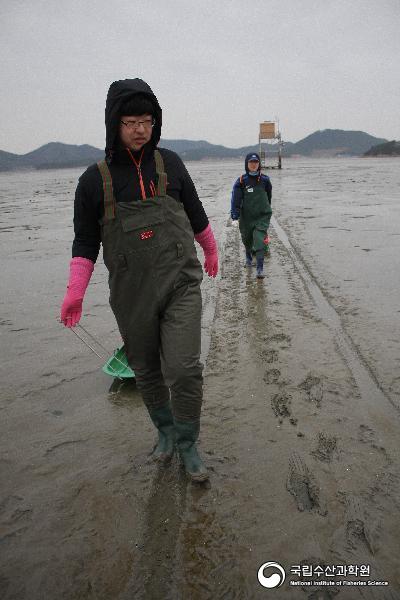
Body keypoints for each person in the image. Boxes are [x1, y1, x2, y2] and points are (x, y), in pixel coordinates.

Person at [60, 78, 218, 482]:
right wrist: (75, 293)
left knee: (184, 369)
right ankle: (164, 432)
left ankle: (188, 443)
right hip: (132, 295)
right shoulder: (93, 182)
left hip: (181, 284)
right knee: (145, 371)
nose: (140, 129)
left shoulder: (172, 164)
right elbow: (84, 242)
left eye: (147, 120)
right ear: (115, 124)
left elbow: (196, 214)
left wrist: (212, 250)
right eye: (131, 121)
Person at [230, 152, 272, 278]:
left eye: (256, 162)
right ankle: (248, 259)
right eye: (251, 162)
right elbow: (235, 200)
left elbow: (268, 196)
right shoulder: (242, 181)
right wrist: (235, 216)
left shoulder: (265, 180)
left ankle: (260, 269)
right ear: (246, 164)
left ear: (259, 164)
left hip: (261, 217)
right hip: (246, 217)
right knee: (247, 240)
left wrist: (266, 208)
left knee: (259, 241)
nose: (253, 165)